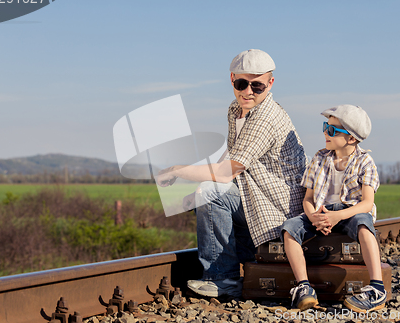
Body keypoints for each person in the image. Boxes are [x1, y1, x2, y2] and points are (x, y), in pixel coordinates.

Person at [156, 49, 307, 298]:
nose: (248, 91)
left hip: (276, 210)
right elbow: (232, 156)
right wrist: (196, 192)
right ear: (231, 79)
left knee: (212, 192)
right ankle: (228, 265)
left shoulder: (266, 118)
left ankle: (223, 278)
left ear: (270, 83)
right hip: (255, 197)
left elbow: (228, 171)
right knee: (207, 191)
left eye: (257, 86)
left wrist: (178, 171)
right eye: (241, 83)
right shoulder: (236, 110)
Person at [281, 105, 386, 312]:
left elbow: (366, 203)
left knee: (365, 225)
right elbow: (308, 198)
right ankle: (304, 287)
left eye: (332, 130)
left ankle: (377, 288)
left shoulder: (365, 162)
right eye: (325, 127)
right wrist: (314, 218)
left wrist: (338, 216)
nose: (325, 133)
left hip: (350, 212)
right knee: (289, 228)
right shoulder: (319, 158)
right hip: (321, 213)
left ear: (352, 138)